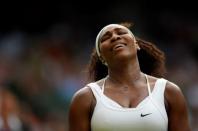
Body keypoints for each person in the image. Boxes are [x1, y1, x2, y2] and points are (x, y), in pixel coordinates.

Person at [68, 23, 191, 131]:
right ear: (101, 57)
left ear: (136, 44)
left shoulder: (169, 91)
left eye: (121, 33)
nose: (115, 37)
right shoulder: (85, 98)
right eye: (106, 38)